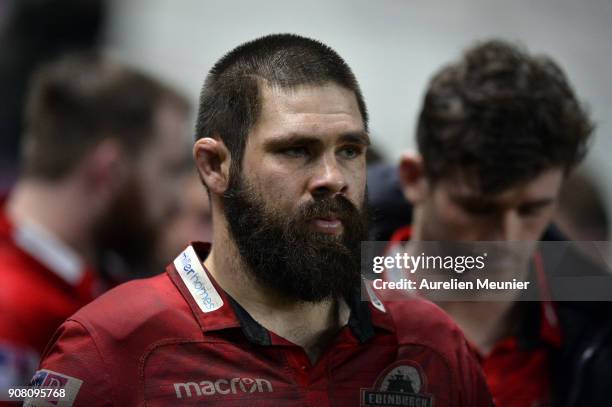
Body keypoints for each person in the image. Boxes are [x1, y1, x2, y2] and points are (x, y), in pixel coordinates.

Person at [27, 34, 493, 406]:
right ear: (214, 166)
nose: (333, 178)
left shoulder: (432, 345)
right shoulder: (107, 345)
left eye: (350, 150)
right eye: (297, 150)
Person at [384, 40, 611, 406]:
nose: (506, 239)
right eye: (479, 208)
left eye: (531, 209)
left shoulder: (595, 334)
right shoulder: (321, 311)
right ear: (414, 178)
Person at [0, 53, 190, 390]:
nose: (178, 199)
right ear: (109, 171)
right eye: (169, 170)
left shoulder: (97, 277)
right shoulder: (10, 310)